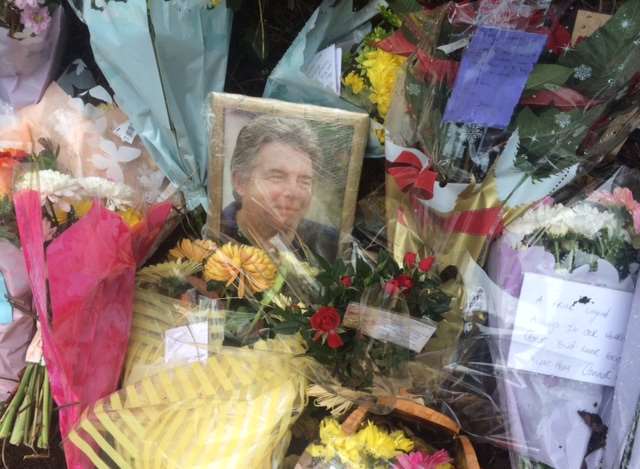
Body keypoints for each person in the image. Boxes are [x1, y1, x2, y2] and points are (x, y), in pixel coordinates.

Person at [221, 115, 339, 261]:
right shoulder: (210, 234)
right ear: (240, 182)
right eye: (277, 177)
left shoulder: (333, 245)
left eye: (304, 181)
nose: (293, 192)